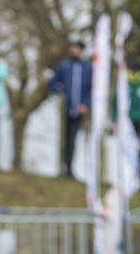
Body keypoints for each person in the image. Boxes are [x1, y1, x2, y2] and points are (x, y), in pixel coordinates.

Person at [49, 40, 92, 179]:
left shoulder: (88, 68)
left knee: (73, 138)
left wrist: (85, 104)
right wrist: (61, 92)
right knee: (64, 138)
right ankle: (62, 167)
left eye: (78, 49)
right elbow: (52, 83)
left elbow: (91, 88)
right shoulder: (64, 66)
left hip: (80, 110)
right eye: (73, 48)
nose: (75, 51)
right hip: (65, 109)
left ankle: (71, 168)